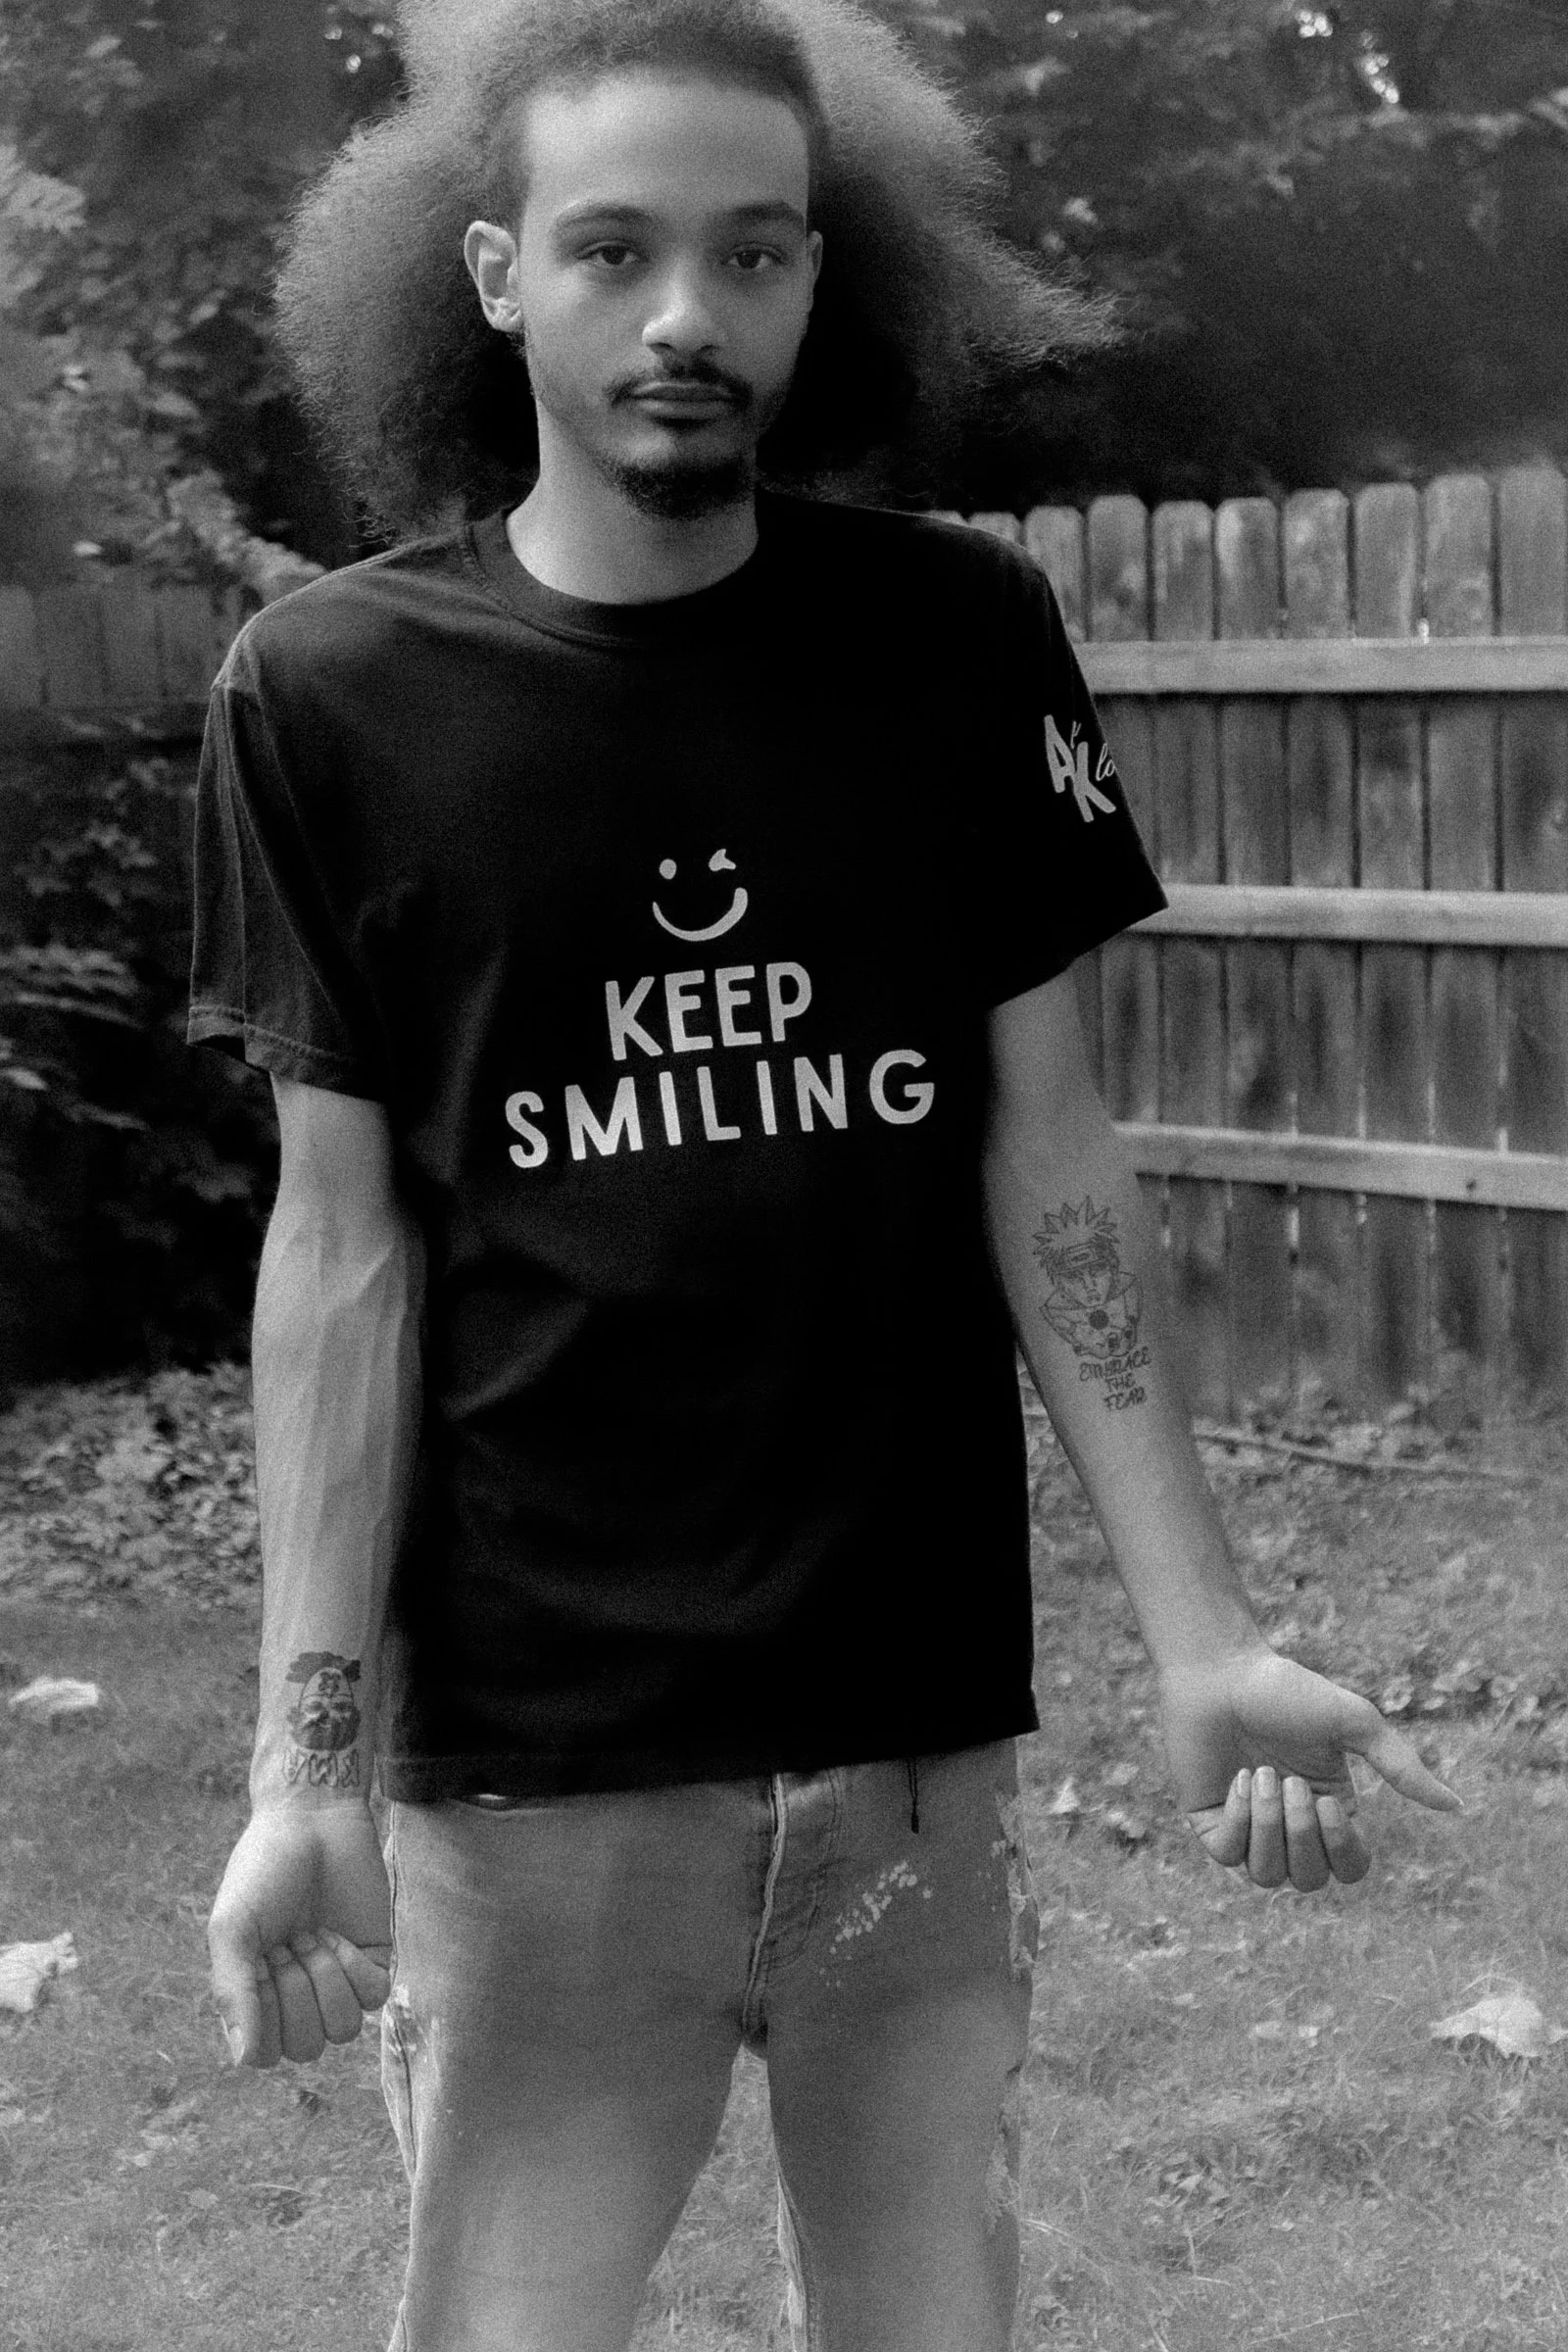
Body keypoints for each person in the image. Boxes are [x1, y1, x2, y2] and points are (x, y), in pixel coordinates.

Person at [195, 2, 1460, 2346]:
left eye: (752, 255)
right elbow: (342, 1256)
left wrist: (1197, 1634)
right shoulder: (327, 689)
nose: (688, 319)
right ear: (487, 272)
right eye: (612, 249)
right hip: (537, 1777)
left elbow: (1044, 1145)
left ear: (820, 275)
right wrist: (306, 1771)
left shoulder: (954, 641)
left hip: (907, 1761)